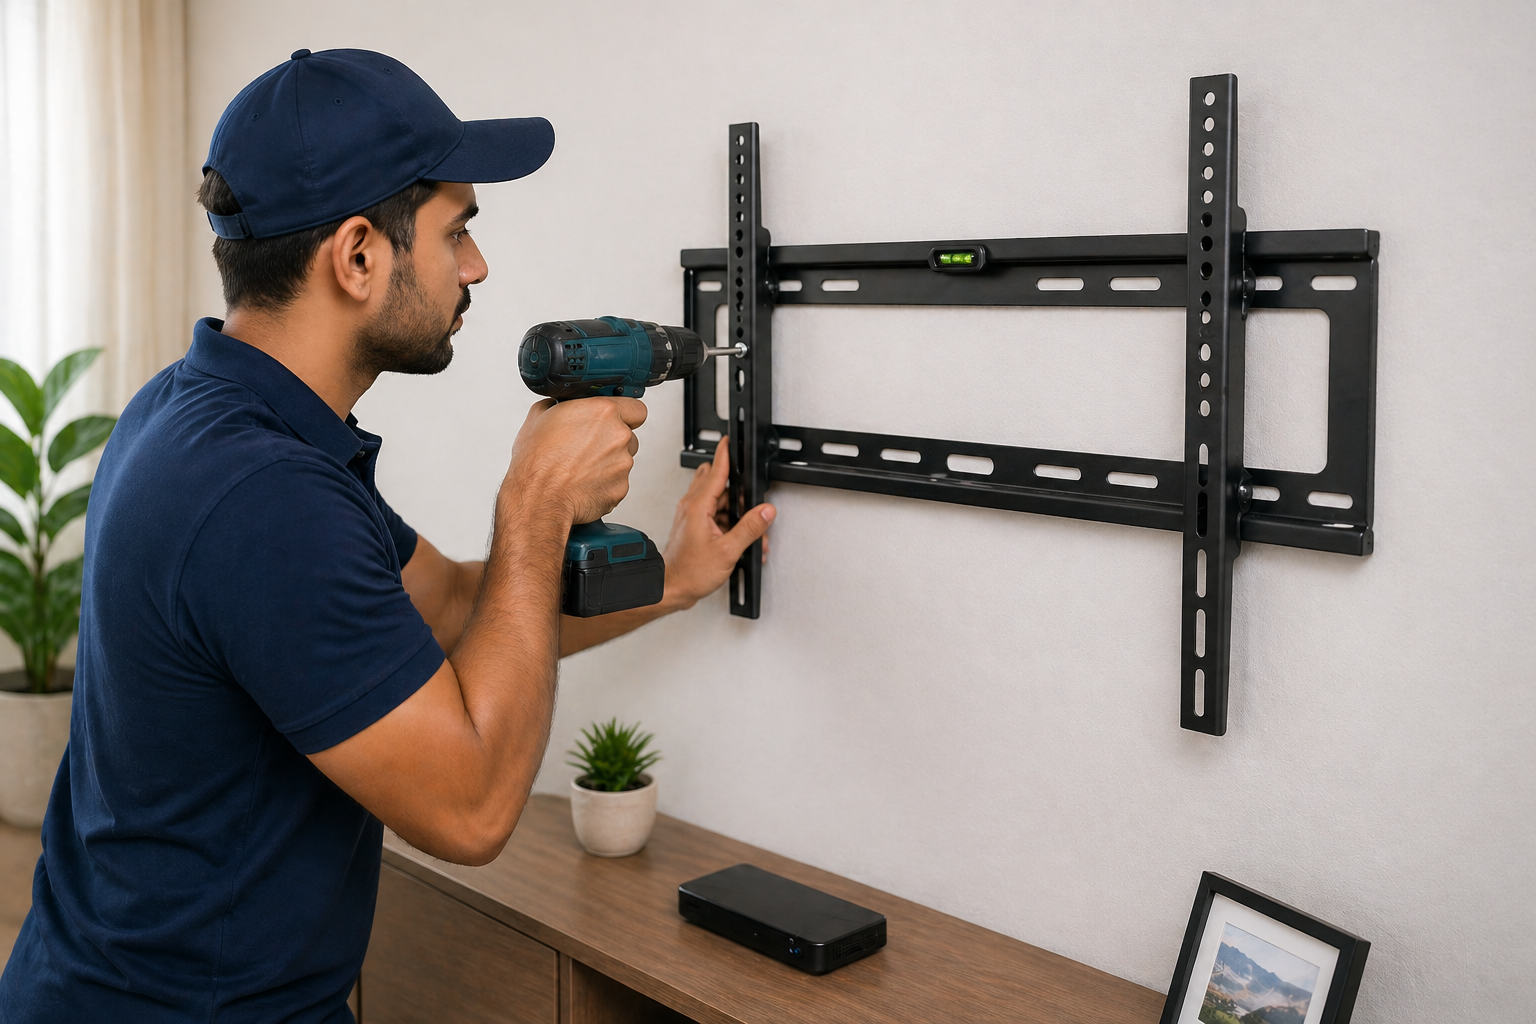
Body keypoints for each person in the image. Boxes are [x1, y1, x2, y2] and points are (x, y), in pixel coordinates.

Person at [0, 48, 774, 1024]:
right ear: (358, 254)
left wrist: (673, 578)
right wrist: (533, 507)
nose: (477, 266)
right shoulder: (262, 495)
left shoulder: (203, 413)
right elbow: (471, 807)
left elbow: (453, 610)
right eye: (458, 231)